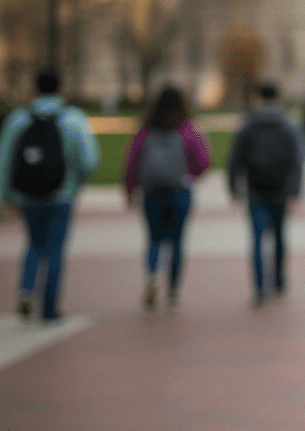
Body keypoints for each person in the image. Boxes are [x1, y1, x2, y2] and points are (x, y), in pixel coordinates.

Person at [0, 70, 99, 322]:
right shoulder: (74, 119)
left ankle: (26, 289)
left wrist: (5, 197)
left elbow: (5, 161)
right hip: (61, 195)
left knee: (34, 243)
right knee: (55, 249)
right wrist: (75, 184)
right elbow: (89, 160)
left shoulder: (18, 119)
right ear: (61, 88)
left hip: (27, 196)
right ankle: (49, 308)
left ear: (35, 88)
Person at [123, 85, 211, 310]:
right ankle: (173, 290)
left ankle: (152, 276)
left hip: (152, 192)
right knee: (177, 240)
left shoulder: (146, 131)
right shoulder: (187, 130)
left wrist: (130, 189)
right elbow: (203, 162)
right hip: (179, 191)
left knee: (154, 238)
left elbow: (132, 162)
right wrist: (190, 174)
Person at [227, 82, 303, 307]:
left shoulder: (248, 125)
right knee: (279, 236)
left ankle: (260, 288)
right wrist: (295, 192)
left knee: (258, 239)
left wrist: (233, 187)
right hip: (280, 189)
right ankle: (278, 280)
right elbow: (296, 160)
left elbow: (235, 158)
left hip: (255, 190)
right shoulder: (287, 126)